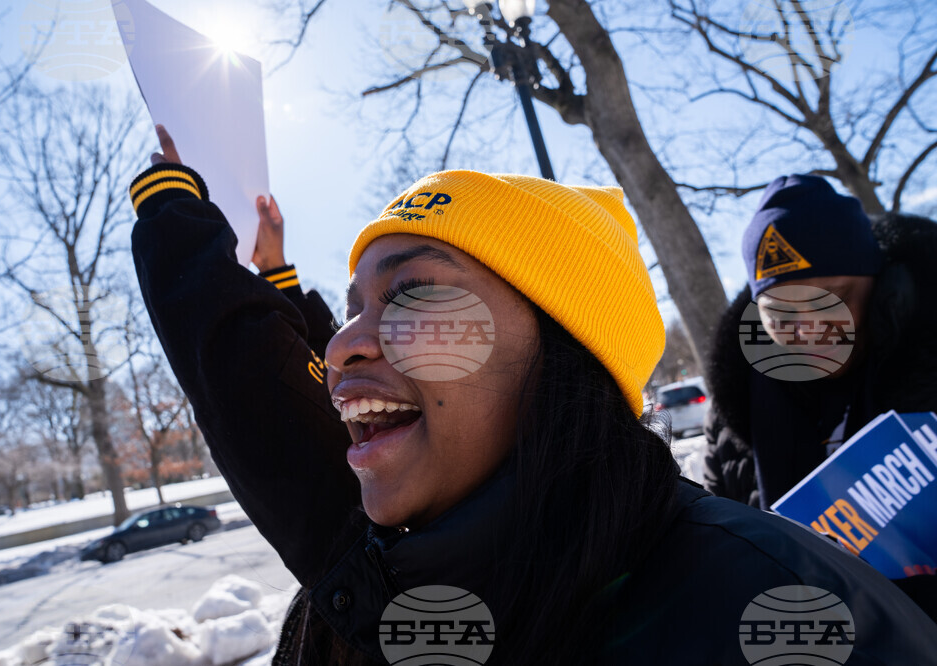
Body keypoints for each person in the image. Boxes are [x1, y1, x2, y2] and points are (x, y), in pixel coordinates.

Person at [131, 127, 936, 664]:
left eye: (414, 296)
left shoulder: (777, 614)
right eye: (352, 310)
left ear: (562, 354)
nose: (340, 347)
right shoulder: (384, 588)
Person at [703, 173, 937, 618]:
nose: (809, 330)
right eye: (780, 314)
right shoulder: (736, 412)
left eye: (832, 297)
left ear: (880, 286)